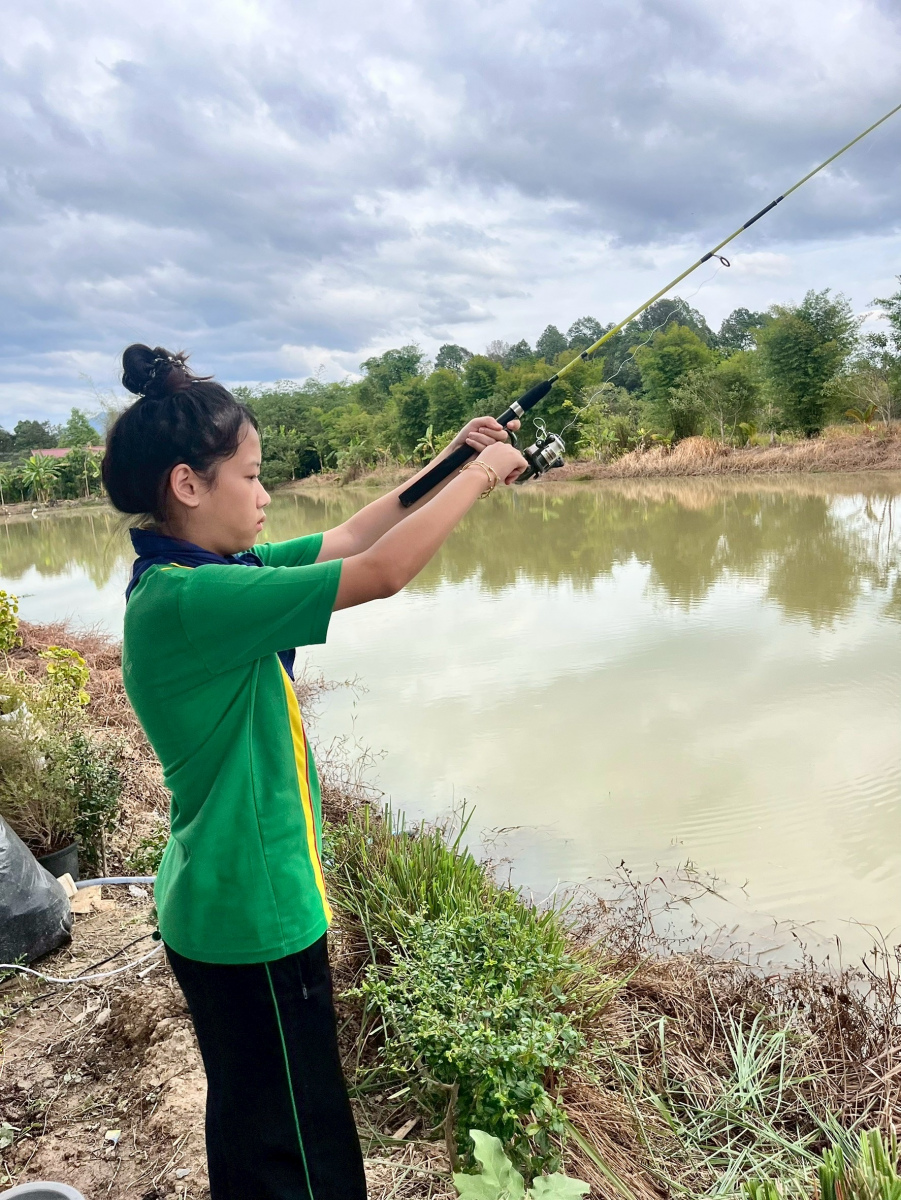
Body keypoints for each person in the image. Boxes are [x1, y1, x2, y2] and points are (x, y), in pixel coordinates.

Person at [102, 343, 526, 1200]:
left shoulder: (197, 578)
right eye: (252, 477)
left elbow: (350, 535)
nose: (265, 497)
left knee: (258, 1123)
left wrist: (451, 459)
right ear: (188, 485)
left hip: (222, 899)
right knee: (302, 1149)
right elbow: (381, 571)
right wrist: (486, 476)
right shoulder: (197, 602)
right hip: (251, 915)